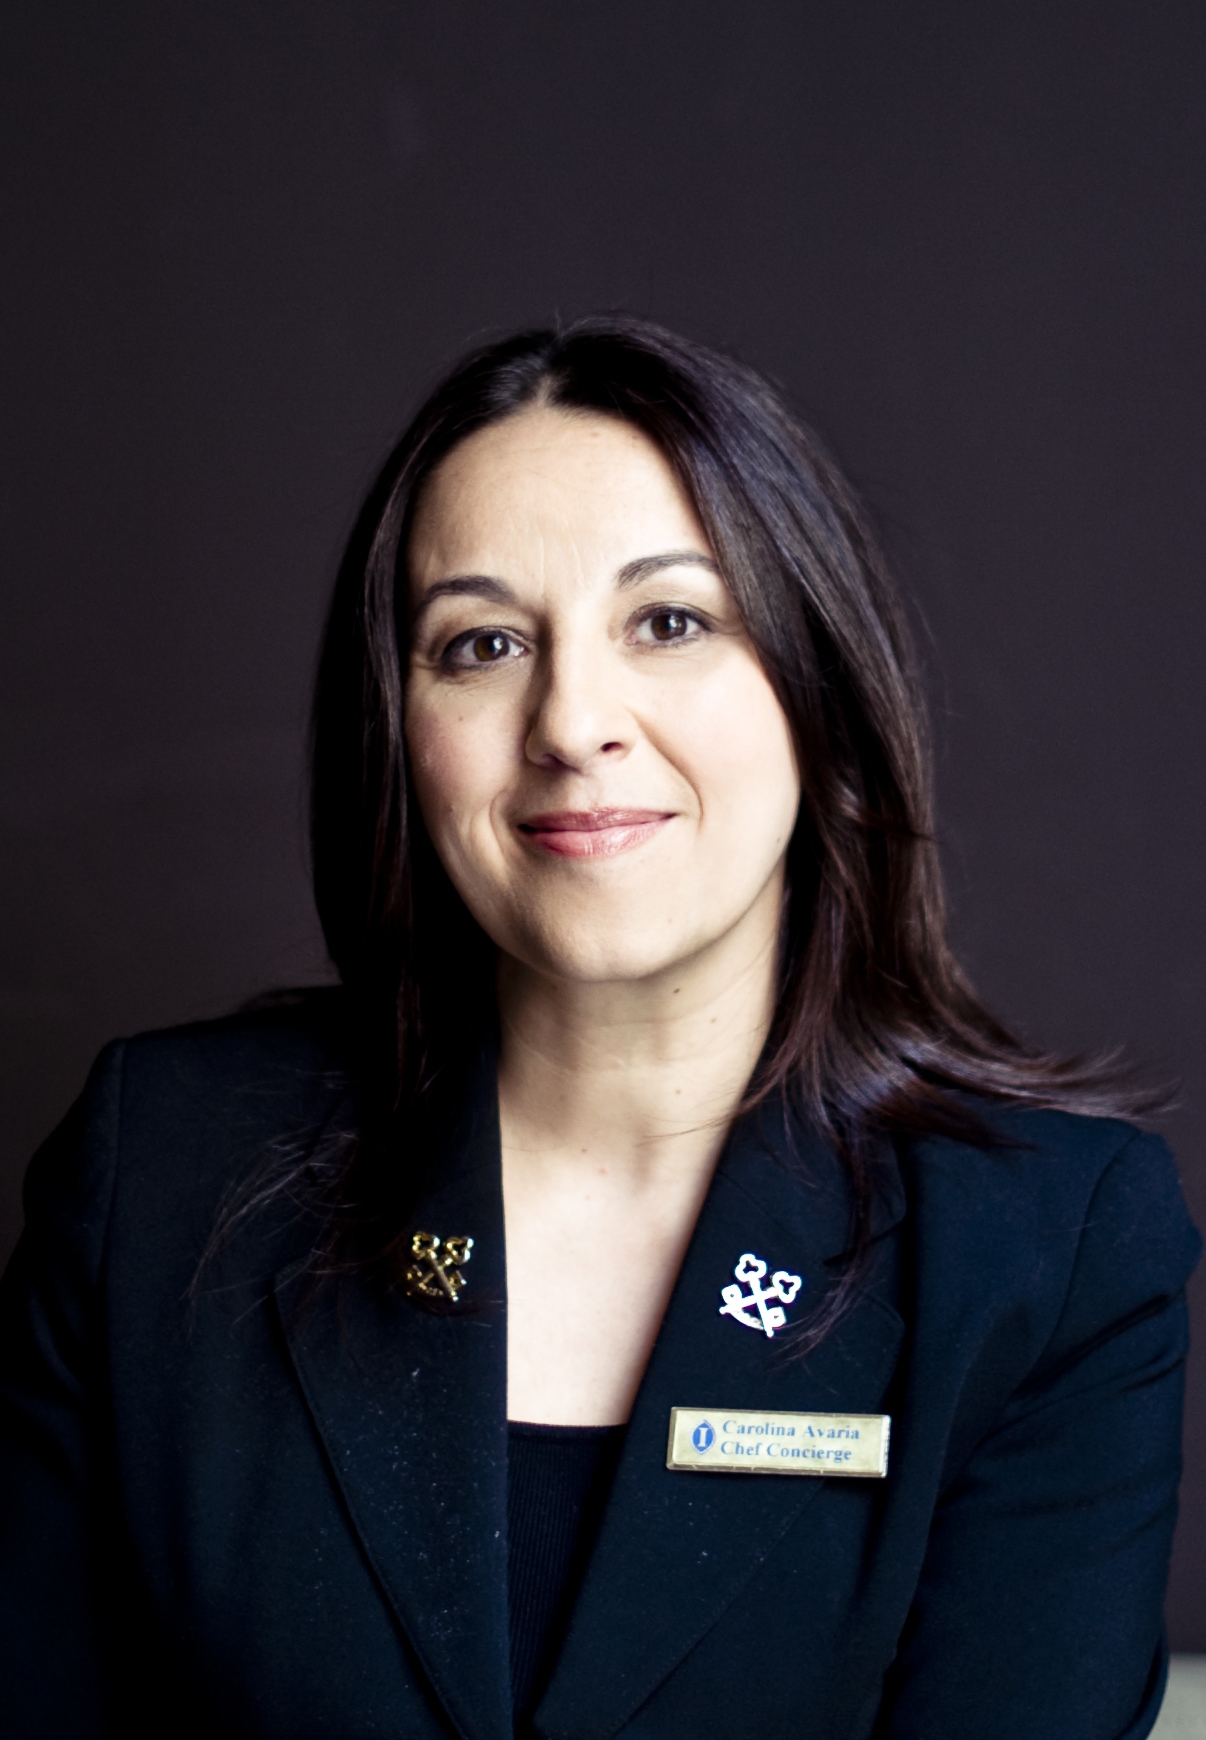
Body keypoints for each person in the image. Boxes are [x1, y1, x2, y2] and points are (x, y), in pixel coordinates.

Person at [0, 316, 1198, 1740]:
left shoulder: (1049, 1249)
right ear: (398, 730)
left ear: (818, 688)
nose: (571, 722)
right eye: (483, 643)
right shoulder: (161, 1172)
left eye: (670, 623)